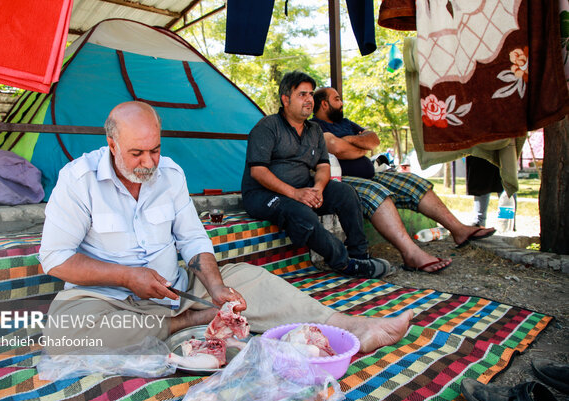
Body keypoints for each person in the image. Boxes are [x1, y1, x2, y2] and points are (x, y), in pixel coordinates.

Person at [39, 101, 413, 355]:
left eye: (154, 149)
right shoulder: (78, 180)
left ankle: (351, 327)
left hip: (176, 289)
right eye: (137, 153)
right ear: (111, 144)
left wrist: (215, 286)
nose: (149, 162)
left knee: (249, 281)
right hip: (105, 300)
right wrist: (125, 277)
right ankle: (190, 322)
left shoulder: (169, 173)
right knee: (64, 331)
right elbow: (55, 259)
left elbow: (192, 237)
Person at [311, 87, 496, 273]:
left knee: (413, 182)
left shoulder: (346, 123)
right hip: (343, 180)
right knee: (376, 193)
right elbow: (337, 147)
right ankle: (411, 254)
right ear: (324, 104)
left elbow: (373, 140)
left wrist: (349, 140)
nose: (341, 103)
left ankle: (459, 230)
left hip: (372, 174)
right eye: (337, 99)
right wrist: (359, 146)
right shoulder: (316, 127)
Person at [241, 71, 393, 279]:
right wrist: (295, 193)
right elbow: (258, 171)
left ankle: (359, 254)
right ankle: (344, 263)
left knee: (345, 192)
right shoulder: (267, 127)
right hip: (264, 195)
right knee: (300, 212)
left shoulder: (314, 130)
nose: (309, 100)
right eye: (302, 94)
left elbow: (323, 166)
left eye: (311, 94)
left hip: (303, 188)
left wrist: (318, 189)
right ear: (286, 99)